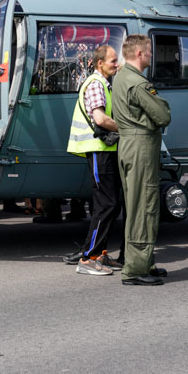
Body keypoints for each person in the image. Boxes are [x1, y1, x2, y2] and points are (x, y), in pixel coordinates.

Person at [111, 34, 171, 286]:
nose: (151, 55)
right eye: (148, 51)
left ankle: (143, 261)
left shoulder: (121, 77)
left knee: (136, 204)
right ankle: (136, 269)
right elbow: (163, 115)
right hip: (140, 146)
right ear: (139, 54)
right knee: (143, 206)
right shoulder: (137, 83)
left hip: (129, 144)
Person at [65, 44, 124, 276]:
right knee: (106, 204)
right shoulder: (96, 84)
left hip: (104, 150)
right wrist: (128, 128)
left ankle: (99, 254)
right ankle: (89, 258)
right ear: (100, 63)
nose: (116, 64)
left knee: (108, 204)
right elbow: (100, 118)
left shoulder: (103, 84)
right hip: (99, 150)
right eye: (112, 61)